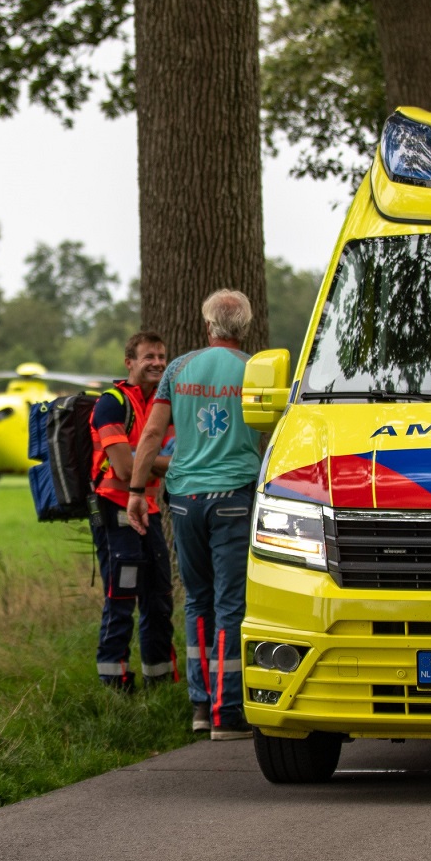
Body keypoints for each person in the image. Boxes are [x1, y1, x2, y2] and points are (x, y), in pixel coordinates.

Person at [127, 290, 262, 740]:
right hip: (232, 499)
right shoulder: (254, 370)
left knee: (198, 602)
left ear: (207, 326)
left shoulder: (178, 369)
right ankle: (229, 712)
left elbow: (150, 434)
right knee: (231, 604)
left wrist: (135, 492)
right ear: (244, 327)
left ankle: (200, 707)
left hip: (183, 499)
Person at [88, 331, 175, 691]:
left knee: (159, 598)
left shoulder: (163, 405)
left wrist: (147, 459)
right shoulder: (111, 403)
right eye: (148, 357)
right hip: (114, 512)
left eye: (161, 356)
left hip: (148, 509)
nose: (156, 362)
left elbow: (157, 461)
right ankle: (114, 686)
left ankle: (161, 682)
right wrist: (164, 461)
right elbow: (124, 470)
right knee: (121, 599)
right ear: (129, 363)